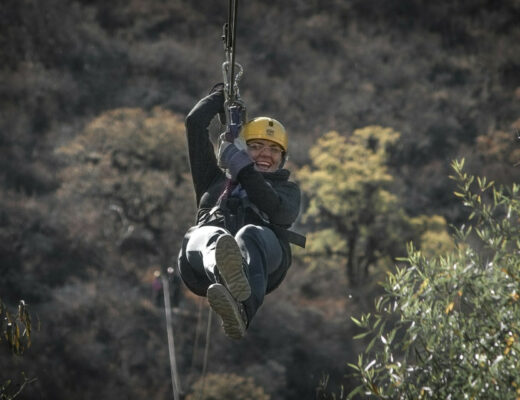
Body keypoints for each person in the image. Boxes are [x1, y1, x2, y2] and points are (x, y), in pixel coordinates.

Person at [177, 84, 305, 339]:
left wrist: (241, 166)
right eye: (256, 146)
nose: (265, 154)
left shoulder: (288, 191)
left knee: (249, 233)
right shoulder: (212, 180)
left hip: (261, 262)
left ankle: (243, 309)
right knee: (208, 234)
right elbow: (195, 123)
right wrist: (221, 97)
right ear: (243, 148)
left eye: (274, 149)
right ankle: (224, 272)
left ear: (283, 158)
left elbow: (276, 210)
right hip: (202, 265)